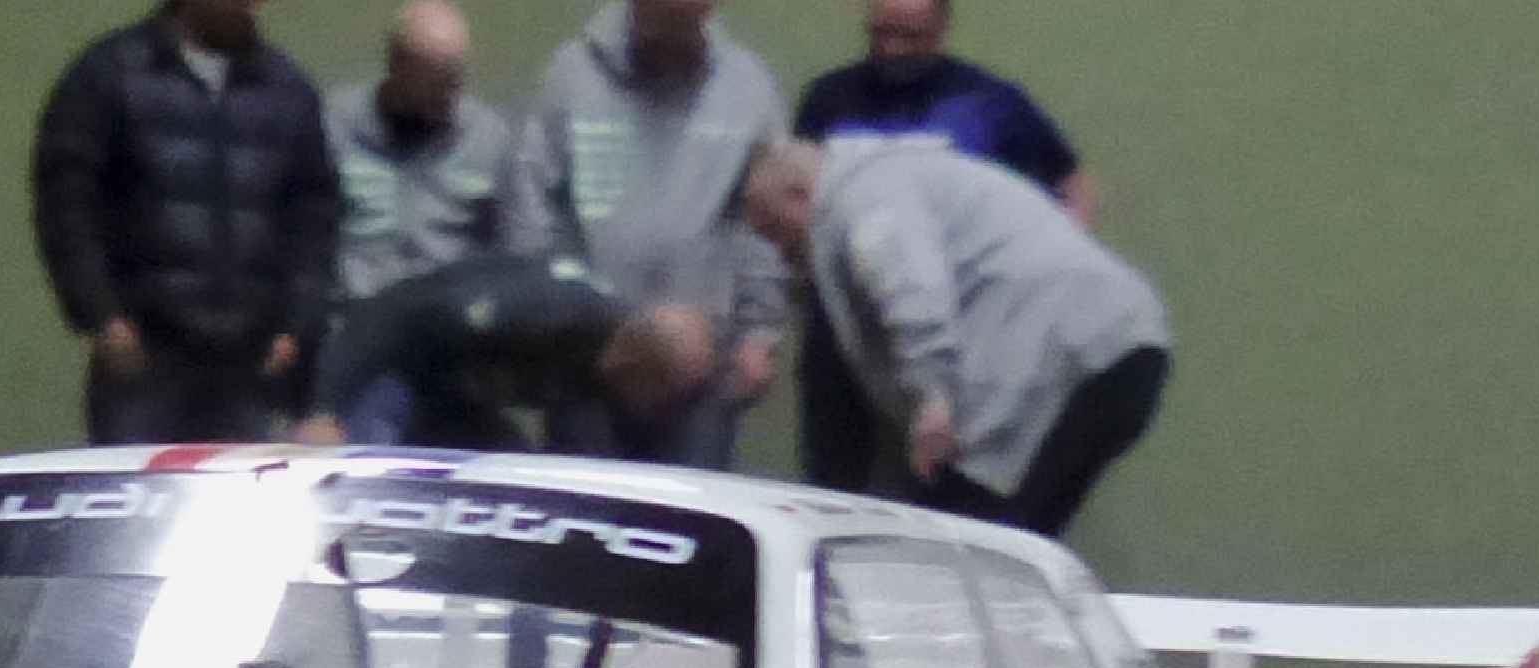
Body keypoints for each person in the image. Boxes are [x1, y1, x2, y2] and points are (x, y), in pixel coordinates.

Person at [745, 134, 1171, 538]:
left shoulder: (864, 198)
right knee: (1010, 536)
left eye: (774, 230)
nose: (779, 251)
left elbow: (910, 285)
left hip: (1070, 352)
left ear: (800, 195)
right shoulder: (898, 176)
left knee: (969, 535)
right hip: (1119, 346)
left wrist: (933, 395)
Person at [787, 0, 1088, 497]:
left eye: (909, 36)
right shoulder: (830, 99)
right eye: (881, 33)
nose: (892, 49)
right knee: (832, 483)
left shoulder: (989, 103)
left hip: (957, 332)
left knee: (943, 486)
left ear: (941, 29)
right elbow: (795, 200)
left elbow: (1072, 187)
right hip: (845, 329)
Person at [34, 0, 341, 449]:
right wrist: (100, 315)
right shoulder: (112, 74)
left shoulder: (286, 88)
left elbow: (314, 216)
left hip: (251, 363)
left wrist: (298, 324)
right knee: (137, 488)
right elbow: (67, 204)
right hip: (144, 356)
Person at [501, 0, 786, 470]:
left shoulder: (747, 87)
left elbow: (764, 223)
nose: (673, 38)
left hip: (702, 365)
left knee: (691, 509)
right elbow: (530, 206)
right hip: (589, 356)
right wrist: (541, 318)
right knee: (585, 503)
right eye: (663, 23)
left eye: (685, 24)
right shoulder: (572, 76)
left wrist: (759, 334)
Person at [296, 251, 670, 459]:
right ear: (631, 365)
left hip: (472, 398)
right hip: (407, 362)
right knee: (356, 464)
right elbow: (391, 313)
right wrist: (326, 408)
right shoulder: (538, 314)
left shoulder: (612, 352)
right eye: (658, 392)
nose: (658, 408)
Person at [329, 4, 524, 339]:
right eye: (435, 85)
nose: (449, 97)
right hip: (352, 323)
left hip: (448, 331)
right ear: (396, 67)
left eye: (455, 80)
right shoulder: (333, 128)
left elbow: (515, 249)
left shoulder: (490, 139)